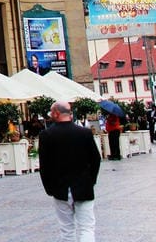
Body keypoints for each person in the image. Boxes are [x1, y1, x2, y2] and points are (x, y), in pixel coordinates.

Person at [39, 100, 102, 242]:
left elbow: (44, 166)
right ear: (70, 114)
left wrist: (50, 188)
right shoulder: (84, 133)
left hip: (60, 188)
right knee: (86, 227)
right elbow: (96, 159)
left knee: (67, 229)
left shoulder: (46, 135)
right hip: (83, 186)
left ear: (56, 113)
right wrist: (91, 180)